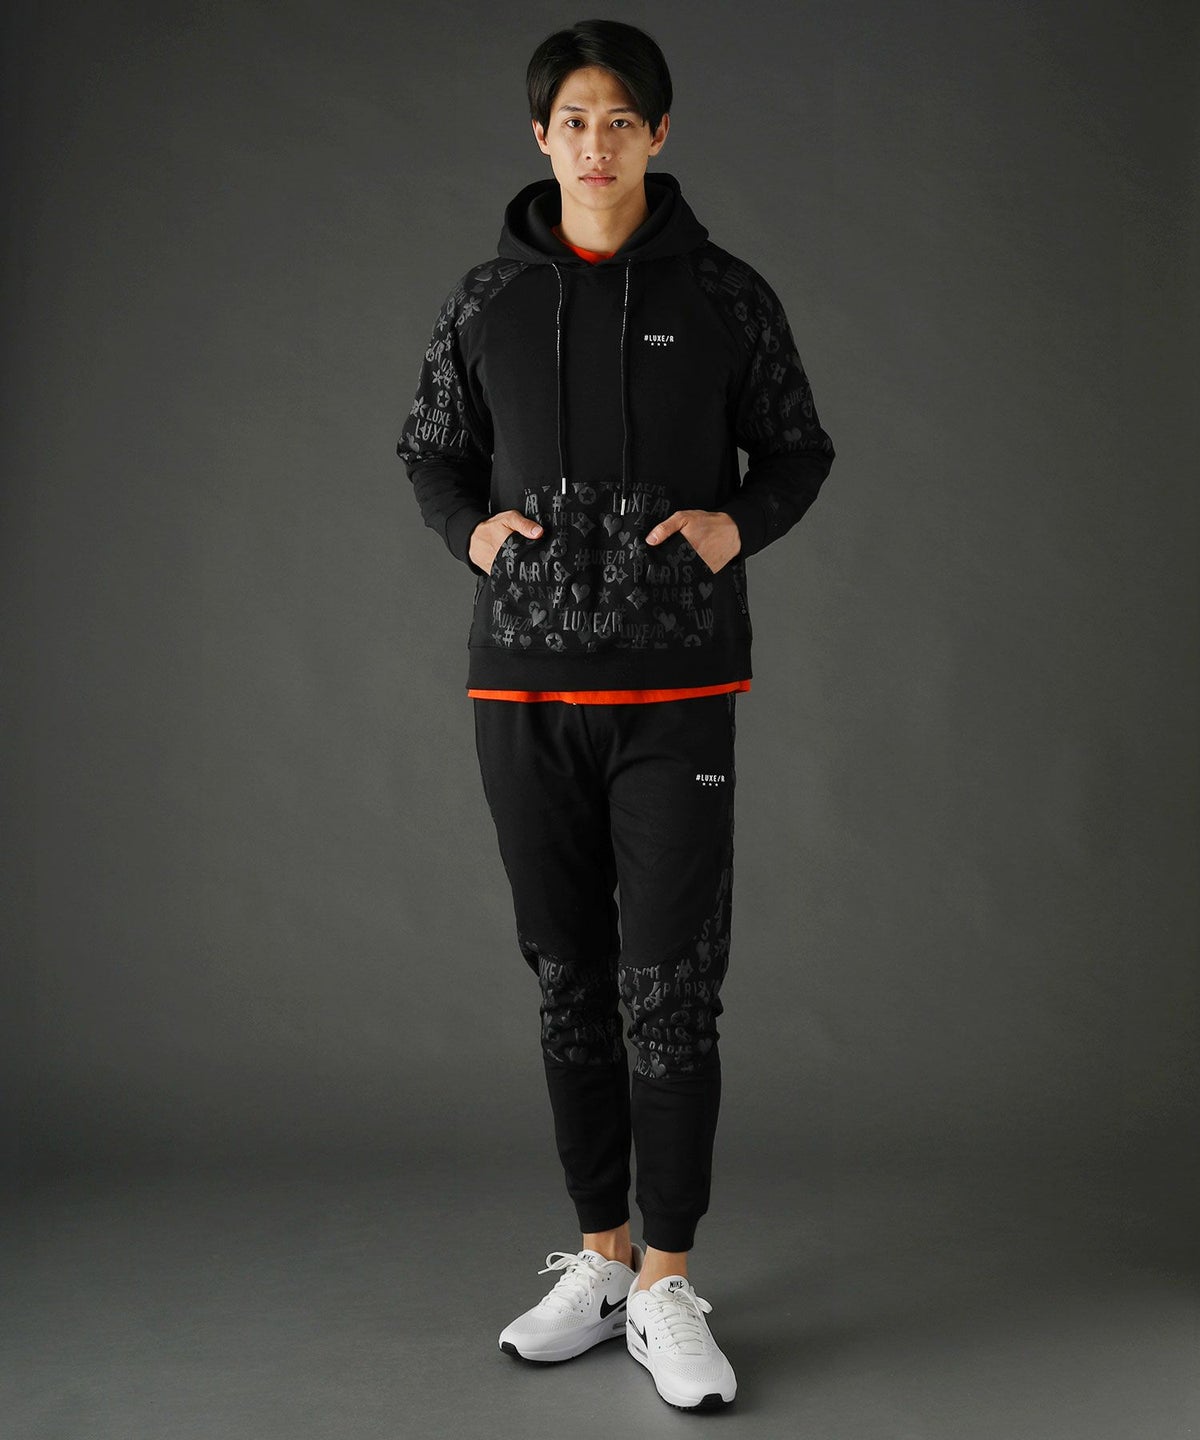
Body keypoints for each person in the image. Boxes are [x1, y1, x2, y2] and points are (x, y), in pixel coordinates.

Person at [396, 17, 835, 1412]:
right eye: (574, 120)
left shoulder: (725, 296)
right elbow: (431, 450)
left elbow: (799, 448)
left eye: (621, 120)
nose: (597, 143)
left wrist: (732, 526)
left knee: (670, 984)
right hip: (522, 688)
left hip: (675, 695)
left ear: (658, 133)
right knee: (570, 976)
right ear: (542, 137)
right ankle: (598, 1260)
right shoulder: (487, 301)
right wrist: (471, 536)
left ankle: (668, 1280)